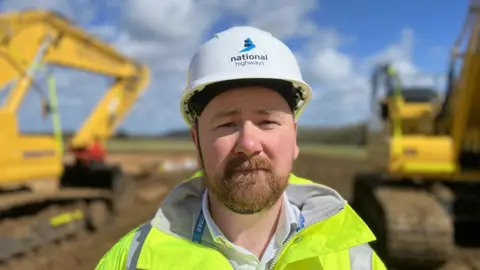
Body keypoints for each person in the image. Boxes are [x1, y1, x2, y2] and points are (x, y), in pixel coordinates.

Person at [95, 26, 387, 270]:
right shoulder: (133, 260)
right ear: (197, 142)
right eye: (226, 124)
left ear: (294, 139)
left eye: (268, 121)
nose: (248, 143)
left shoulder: (353, 260)